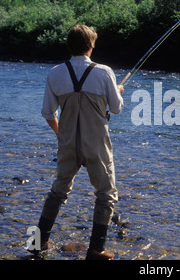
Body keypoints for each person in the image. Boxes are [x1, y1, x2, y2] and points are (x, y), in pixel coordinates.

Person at [34, 24, 124, 260]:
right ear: (90, 46)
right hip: (96, 145)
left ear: (69, 46)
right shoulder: (104, 72)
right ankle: (96, 249)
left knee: (58, 191)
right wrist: (117, 90)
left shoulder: (54, 73)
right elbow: (116, 109)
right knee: (106, 194)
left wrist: (60, 134)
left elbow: (47, 113)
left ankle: (37, 242)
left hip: (68, 144)